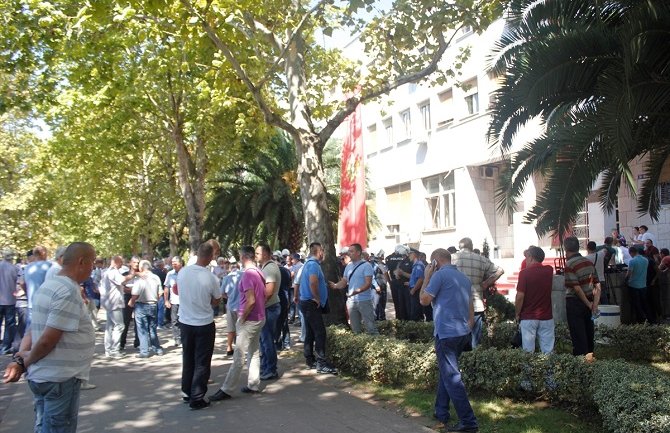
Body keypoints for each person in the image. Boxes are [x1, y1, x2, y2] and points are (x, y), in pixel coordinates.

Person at [3, 242, 96, 433]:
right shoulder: (67, 291)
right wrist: (24, 362)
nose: (93, 267)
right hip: (59, 378)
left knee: (44, 425)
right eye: (92, 262)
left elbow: (32, 329)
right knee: (57, 428)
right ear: (81, 261)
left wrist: (21, 359)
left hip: (47, 376)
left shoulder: (49, 286)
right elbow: (47, 340)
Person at [419, 248, 478, 433]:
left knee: (452, 378)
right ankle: (441, 411)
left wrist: (426, 277)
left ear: (435, 262)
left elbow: (423, 300)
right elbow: (470, 303)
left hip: (446, 333)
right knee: (447, 374)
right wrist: (469, 324)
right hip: (461, 333)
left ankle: (468, 421)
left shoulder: (438, 276)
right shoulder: (463, 278)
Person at [210, 245, 266, 402]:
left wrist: (242, 318)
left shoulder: (248, 274)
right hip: (259, 317)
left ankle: (227, 389)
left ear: (243, 257)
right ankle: (253, 384)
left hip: (250, 319)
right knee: (253, 351)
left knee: (239, 355)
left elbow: (251, 300)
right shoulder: (259, 272)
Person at [177, 240, 222, 410]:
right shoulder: (211, 277)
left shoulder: (183, 272)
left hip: (185, 321)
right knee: (202, 361)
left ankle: (187, 391)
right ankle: (197, 397)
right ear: (210, 257)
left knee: (188, 357)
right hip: (204, 323)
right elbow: (216, 300)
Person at [452, 237, 504, 349]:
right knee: (475, 338)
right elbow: (500, 270)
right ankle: (475, 356)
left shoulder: (453, 258)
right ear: (471, 246)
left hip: (457, 303)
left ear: (459, 246)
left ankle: (461, 357)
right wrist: (486, 283)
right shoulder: (481, 259)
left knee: (459, 336)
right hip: (476, 303)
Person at [295, 242, 337, 374]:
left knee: (310, 332)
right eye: (322, 251)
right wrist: (317, 298)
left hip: (306, 302)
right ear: (319, 252)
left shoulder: (307, 264)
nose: (323, 253)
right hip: (311, 303)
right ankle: (321, 363)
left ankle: (310, 360)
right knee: (320, 332)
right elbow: (313, 282)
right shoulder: (313, 265)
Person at [329, 243, 378, 335]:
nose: (349, 253)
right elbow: (344, 282)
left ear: (358, 252)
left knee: (371, 329)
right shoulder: (348, 266)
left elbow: (368, 284)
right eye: (349, 251)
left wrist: (356, 291)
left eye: (351, 251)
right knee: (355, 330)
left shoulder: (366, 265)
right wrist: (335, 285)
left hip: (364, 301)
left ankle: (376, 343)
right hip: (351, 302)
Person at [563, 236, 600, 356]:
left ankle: (581, 360)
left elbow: (577, 288)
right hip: (589, 300)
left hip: (576, 302)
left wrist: (589, 304)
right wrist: (594, 305)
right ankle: (590, 356)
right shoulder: (588, 262)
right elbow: (597, 285)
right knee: (589, 332)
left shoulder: (569, 264)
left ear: (566, 249)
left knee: (578, 334)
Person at [514, 246, 554, 353]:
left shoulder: (524, 273)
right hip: (546, 316)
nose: (525, 260)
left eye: (526, 257)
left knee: (528, 351)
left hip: (528, 317)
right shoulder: (549, 270)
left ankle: (529, 365)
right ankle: (549, 365)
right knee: (548, 350)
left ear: (530, 257)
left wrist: (517, 313)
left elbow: (520, 296)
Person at [255, 244, 282, 381]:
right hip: (268, 307)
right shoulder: (266, 267)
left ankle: (270, 369)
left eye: (257, 253)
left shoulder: (270, 268)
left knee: (267, 340)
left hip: (269, 308)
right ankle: (266, 367)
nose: (255, 255)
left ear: (265, 254)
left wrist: (258, 305)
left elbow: (269, 291)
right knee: (264, 340)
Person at [128, 260, 164, 358]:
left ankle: (144, 351)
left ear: (141, 268)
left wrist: (131, 301)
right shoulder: (156, 277)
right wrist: (155, 299)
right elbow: (160, 293)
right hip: (153, 305)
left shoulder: (140, 279)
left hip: (141, 305)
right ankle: (157, 348)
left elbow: (135, 293)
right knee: (152, 328)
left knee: (142, 329)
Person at [100, 256, 128, 358]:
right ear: (116, 262)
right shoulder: (113, 272)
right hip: (114, 302)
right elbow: (122, 280)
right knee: (119, 326)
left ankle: (108, 349)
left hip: (109, 302)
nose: (122, 264)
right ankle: (114, 350)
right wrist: (132, 274)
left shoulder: (106, 272)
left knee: (110, 327)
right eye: (121, 262)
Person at [221, 266, 243, 357]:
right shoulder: (243, 276)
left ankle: (229, 347)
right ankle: (239, 348)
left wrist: (229, 297)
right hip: (241, 306)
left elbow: (222, 293)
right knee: (240, 329)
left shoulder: (226, 278)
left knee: (230, 328)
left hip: (230, 305)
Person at [386, 245, 412, 320]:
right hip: (401, 284)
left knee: (402, 305)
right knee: (402, 305)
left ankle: (401, 320)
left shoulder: (389, 258)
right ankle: (402, 320)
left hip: (403, 284)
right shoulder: (404, 261)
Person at [626, 247, 651, 324]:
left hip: (633, 285)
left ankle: (640, 321)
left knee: (636, 304)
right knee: (645, 303)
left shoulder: (632, 261)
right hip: (643, 285)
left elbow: (629, 274)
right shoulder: (645, 260)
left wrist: (626, 280)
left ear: (631, 252)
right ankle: (649, 319)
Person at [0, 250, 18, 355]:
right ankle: (5, 347)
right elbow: (18, 282)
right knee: (9, 324)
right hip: (10, 300)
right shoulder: (14, 268)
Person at [164, 256, 184, 347]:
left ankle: (184, 337)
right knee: (174, 320)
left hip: (185, 301)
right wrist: (166, 300)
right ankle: (177, 338)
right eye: (172, 263)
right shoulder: (170, 274)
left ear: (180, 263)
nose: (173, 265)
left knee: (184, 320)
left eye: (175, 263)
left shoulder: (185, 273)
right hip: (174, 301)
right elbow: (166, 287)